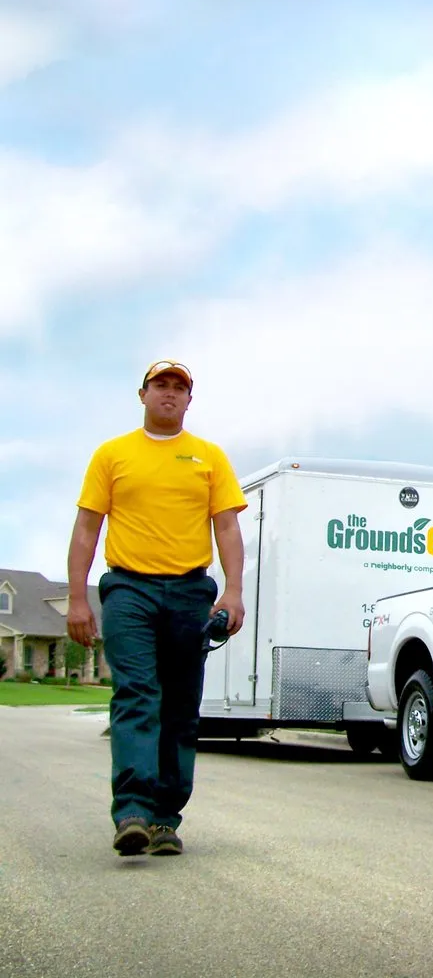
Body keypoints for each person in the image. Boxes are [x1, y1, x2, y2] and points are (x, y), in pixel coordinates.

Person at [66, 359, 247, 857]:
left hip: (190, 592)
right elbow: (87, 528)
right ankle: (133, 812)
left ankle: (166, 818)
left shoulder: (209, 457)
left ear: (190, 400)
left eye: (179, 388)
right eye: (160, 385)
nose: (169, 394)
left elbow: (227, 527)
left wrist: (232, 591)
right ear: (142, 395)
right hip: (128, 589)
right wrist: (78, 596)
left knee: (180, 706)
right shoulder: (112, 454)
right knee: (137, 694)